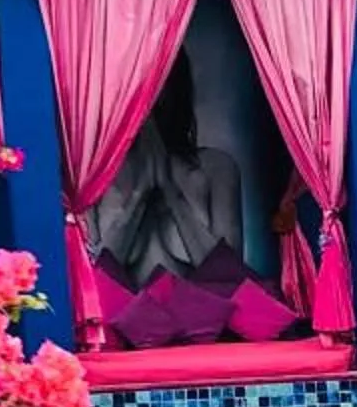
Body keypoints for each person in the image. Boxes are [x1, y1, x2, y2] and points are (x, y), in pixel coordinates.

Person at [88, 55, 243, 288]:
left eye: (159, 80)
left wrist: (172, 194)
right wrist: (139, 196)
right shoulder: (93, 178)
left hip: (202, 309)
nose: (147, 100)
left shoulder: (217, 167)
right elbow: (93, 281)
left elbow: (231, 276)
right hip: (124, 309)